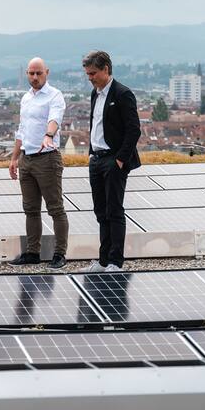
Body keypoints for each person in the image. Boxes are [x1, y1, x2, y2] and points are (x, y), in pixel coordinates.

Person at [79, 50, 141, 273]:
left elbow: (133, 130)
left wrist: (120, 160)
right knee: (101, 212)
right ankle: (103, 260)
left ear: (105, 69)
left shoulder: (122, 94)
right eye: (88, 74)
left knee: (114, 211)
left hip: (113, 161)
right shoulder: (95, 94)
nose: (90, 78)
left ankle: (115, 261)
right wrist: (91, 154)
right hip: (96, 160)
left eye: (93, 73)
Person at [8, 57, 68, 269]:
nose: (34, 77)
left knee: (55, 208)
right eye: (31, 73)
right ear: (27, 73)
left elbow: (55, 119)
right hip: (27, 158)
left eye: (38, 73)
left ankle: (59, 254)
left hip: (47, 158)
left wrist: (49, 135)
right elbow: (21, 130)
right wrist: (14, 158)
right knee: (30, 209)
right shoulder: (26, 98)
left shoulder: (55, 95)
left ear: (46, 73)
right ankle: (32, 252)